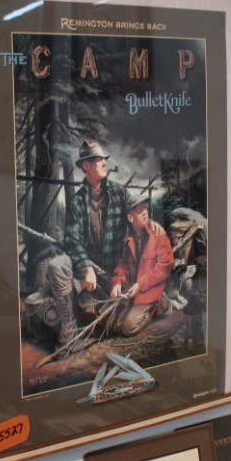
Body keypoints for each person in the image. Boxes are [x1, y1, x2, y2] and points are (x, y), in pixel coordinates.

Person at [45, 140, 163, 349]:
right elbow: (73, 240)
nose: (105, 163)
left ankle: (151, 305)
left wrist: (150, 224)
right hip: (92, 276)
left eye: (104, 159)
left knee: (124, 324)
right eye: (98, 159)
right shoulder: (77, 203)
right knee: (57, 265)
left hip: (119, 274)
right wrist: (86, 268)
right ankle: (70, 331)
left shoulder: (119, 193)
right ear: (86, 166)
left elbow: (137, 215)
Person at [109, 194, 174, 336]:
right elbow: (123, 265)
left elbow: (165, 265)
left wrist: (141, 284)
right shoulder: (128, 240)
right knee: (114, 325)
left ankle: (160, 305)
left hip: (150, 291)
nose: (145, 213)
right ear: (130, 217)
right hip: (134, 291)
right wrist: (118, 282)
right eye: (139, 210)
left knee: (129, 328)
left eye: (145, 208)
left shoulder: (159, 236)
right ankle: (148, 307)